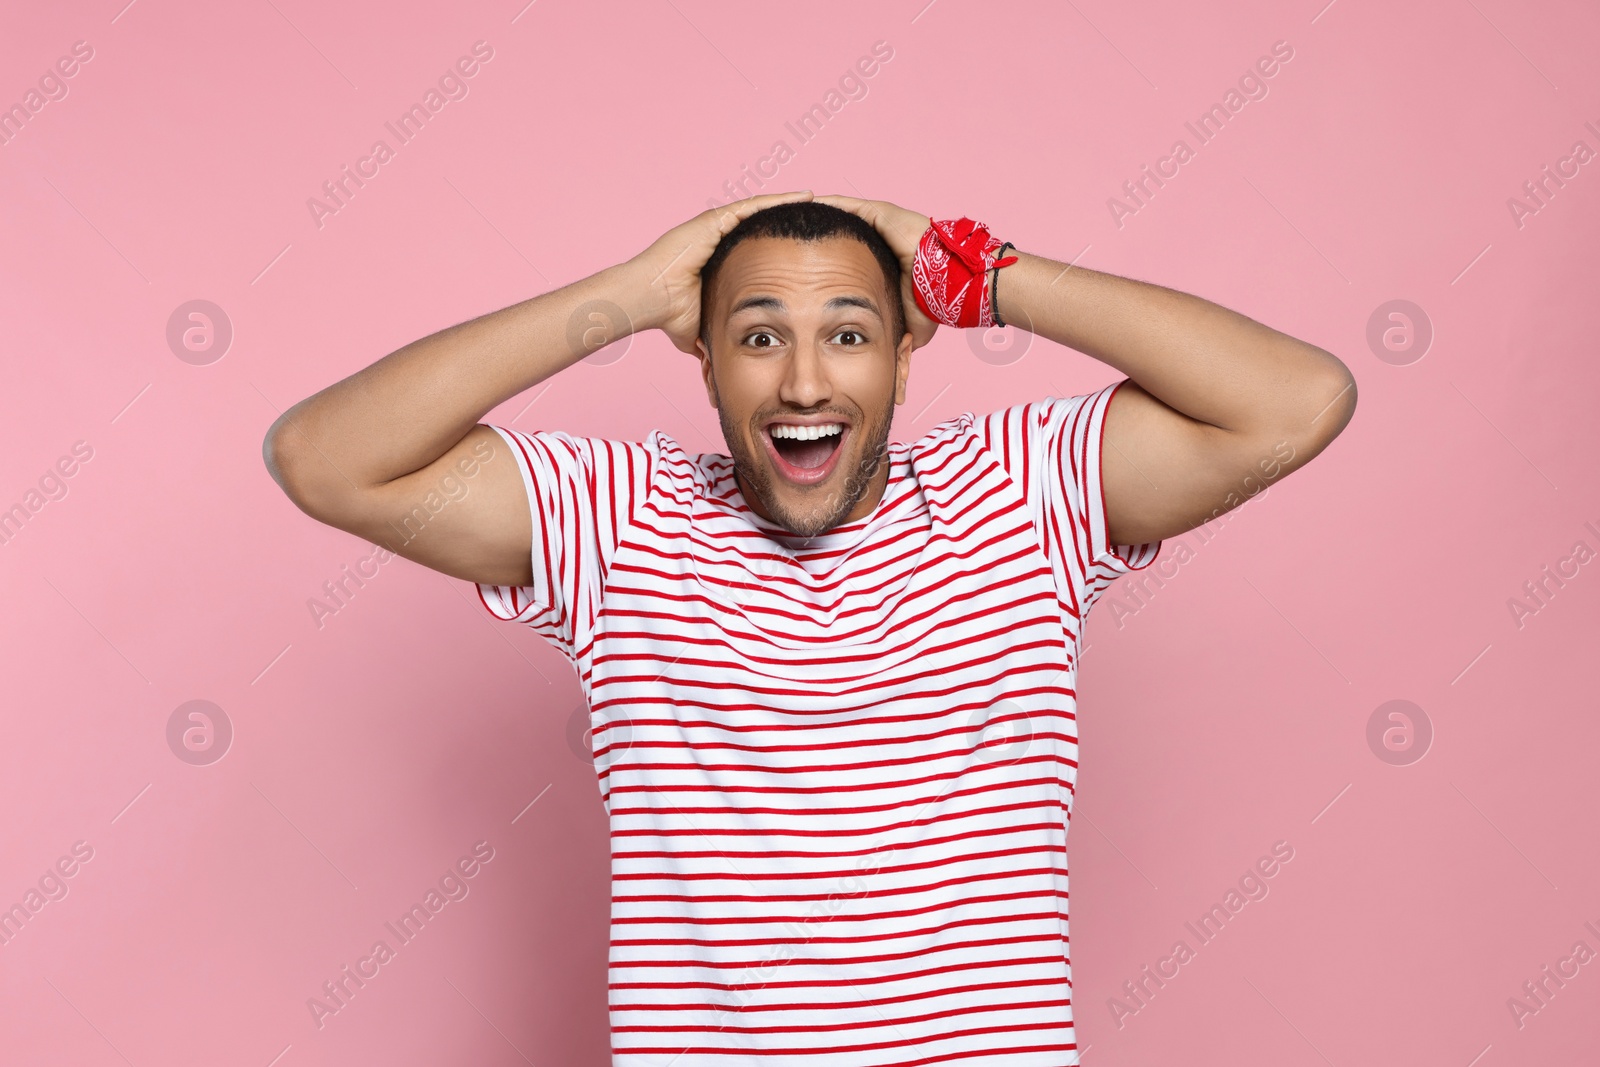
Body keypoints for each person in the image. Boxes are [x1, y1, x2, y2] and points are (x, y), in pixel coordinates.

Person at [264, 190, 1356, 1064]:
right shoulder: (619, 518)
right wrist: (632, 288)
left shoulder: (1019, 491)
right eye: (755, 335)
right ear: (701, 357)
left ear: (903, 354)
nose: (803, 379)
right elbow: (324, 457)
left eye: (847, 333)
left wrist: (992, 276)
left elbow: (1295, 399)